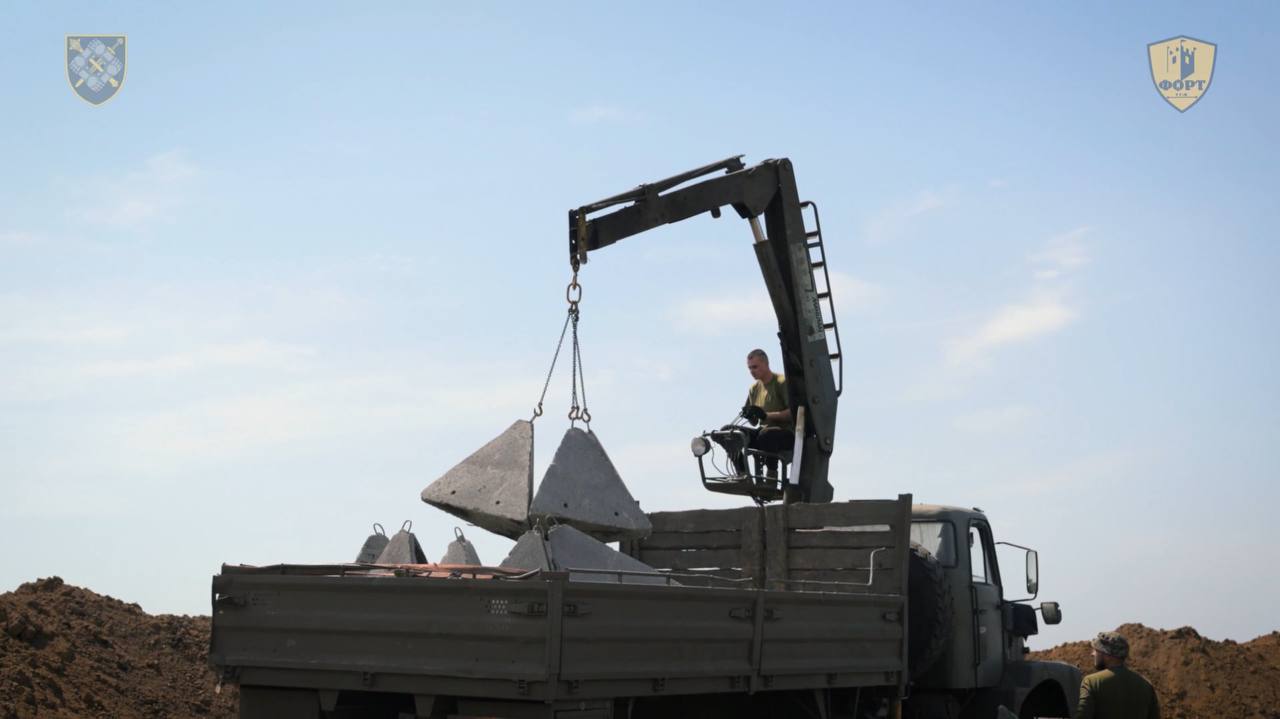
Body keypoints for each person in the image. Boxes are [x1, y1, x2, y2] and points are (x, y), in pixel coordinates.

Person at [1077, 631, 1160, 719]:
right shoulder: (1145, 685)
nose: (1092, 654)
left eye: (1096, 650)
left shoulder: (1091, 682)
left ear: (1107, 654)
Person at [742, 348, 793, 478]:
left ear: (765, 364)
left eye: (755, 367)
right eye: (749, 368)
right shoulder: (754, 388)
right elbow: (754, 423)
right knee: (732, 434)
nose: (752, 371)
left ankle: (772, 475)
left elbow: (793, 413)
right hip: (763, 434)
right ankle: (742, 473)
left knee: (766, 435)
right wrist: (749, 415)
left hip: (786, 434)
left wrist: (765, 415)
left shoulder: (781, 382)